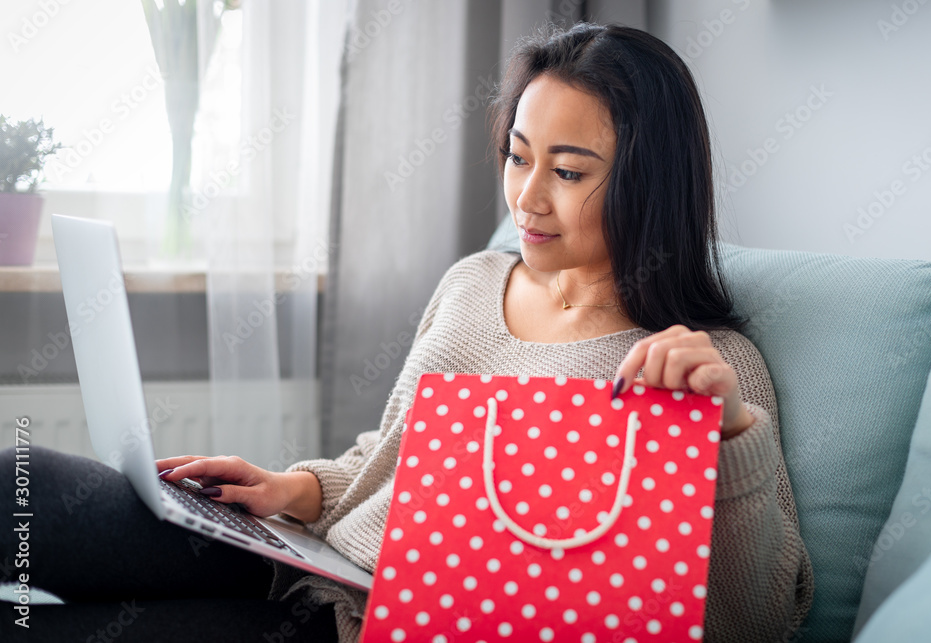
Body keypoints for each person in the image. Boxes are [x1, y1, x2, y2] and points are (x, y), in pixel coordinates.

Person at [1, 22, 812, 643]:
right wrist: (294, 488)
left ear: (648, 179)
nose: (526, 198)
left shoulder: (704, 367)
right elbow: (387, 459)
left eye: (567, 172)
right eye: (517, 155)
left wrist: (732, 427)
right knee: (17, 483)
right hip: (301, 558)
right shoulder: (472, 282)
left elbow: (758, 621)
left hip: (360, 624)